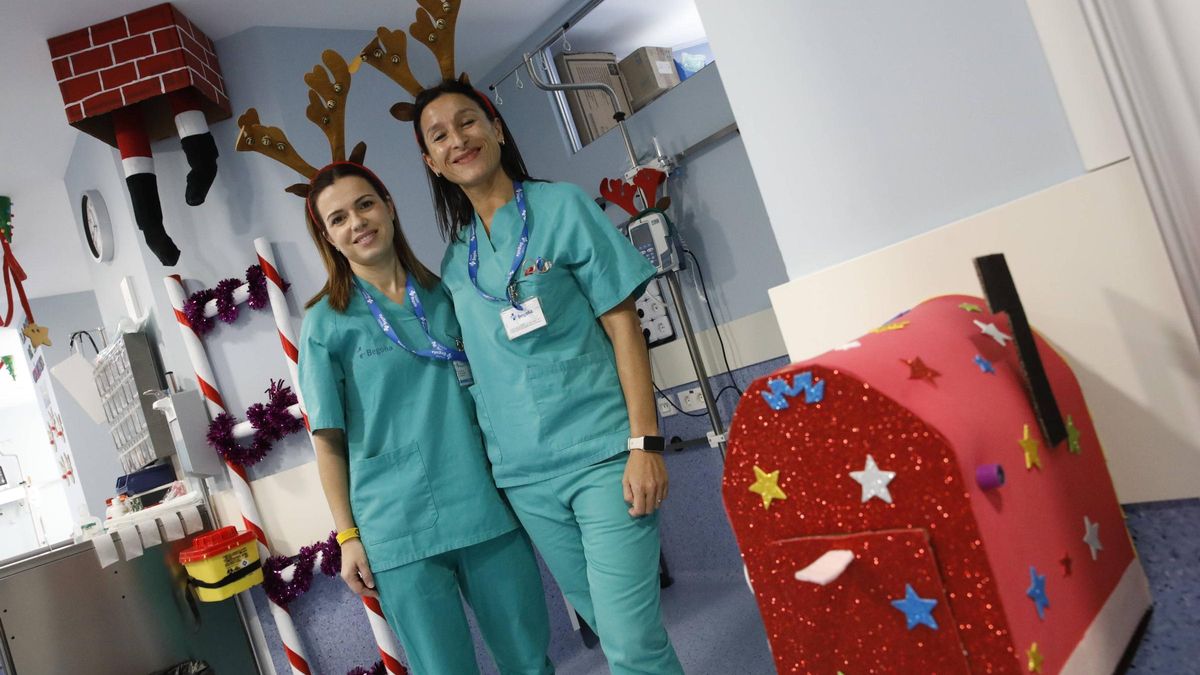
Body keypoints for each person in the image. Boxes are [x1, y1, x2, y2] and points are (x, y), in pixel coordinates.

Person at [411, 79, 685, 675]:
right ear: (431, 162)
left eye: (469, 122)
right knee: (615, 637)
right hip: (527, 479)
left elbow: (623, 327)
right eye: (440, 136)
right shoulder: (457, 262)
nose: (459, 139)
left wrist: (645, 442)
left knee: (633, 641)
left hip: (604, 456)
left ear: (497, 129)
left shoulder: (562, 206)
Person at [297, 161, 554, 675]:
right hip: (397, 528)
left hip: (484, 504)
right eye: (339, 218)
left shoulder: (450, 293)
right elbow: (328, 442)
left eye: (365, 204)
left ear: (389, 207)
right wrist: (347, 537)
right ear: (328, 238)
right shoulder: (325, 323)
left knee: (529, 661)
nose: (358, 222)